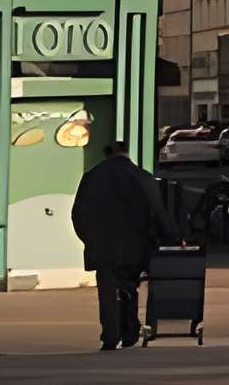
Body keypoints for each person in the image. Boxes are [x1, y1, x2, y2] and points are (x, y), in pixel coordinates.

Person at [72, 140, 175, 352]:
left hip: (102, 246)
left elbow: (77, 215)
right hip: (135, 244)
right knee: (130, 286)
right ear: (126, 153)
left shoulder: (91, 177)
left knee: (108, 291)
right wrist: (174, 237)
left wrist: (89, 239)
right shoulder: (142, 177)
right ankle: (129, 331)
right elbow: (158, 212)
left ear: (106, 154)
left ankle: (110, 335)